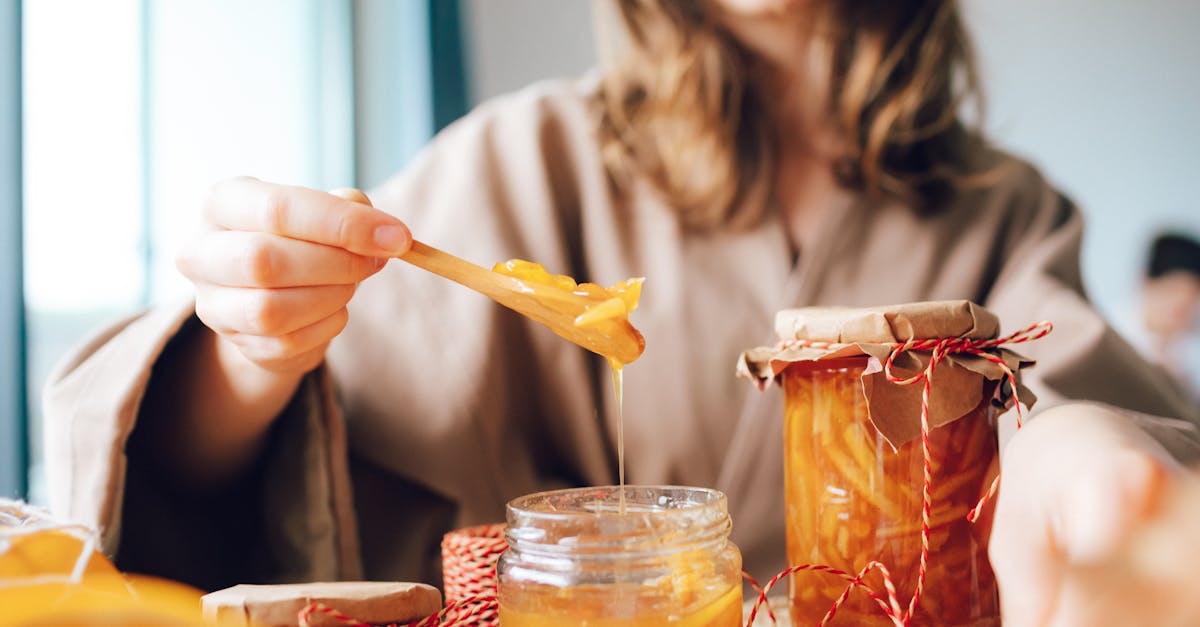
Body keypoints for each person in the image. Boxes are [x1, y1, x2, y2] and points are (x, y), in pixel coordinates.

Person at [42, 0, 1200, 624]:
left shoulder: (1005, 213)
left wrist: (1075, 458)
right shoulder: (517, 164)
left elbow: (1068, 399)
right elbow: (240, 473)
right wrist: (249, 348)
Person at [1139, 232, 1200, 401]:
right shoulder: (1106, 330)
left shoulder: (1192, 351)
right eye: (1171, 291)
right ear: (1145, 279)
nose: (1177, 310)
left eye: (1190, 301)